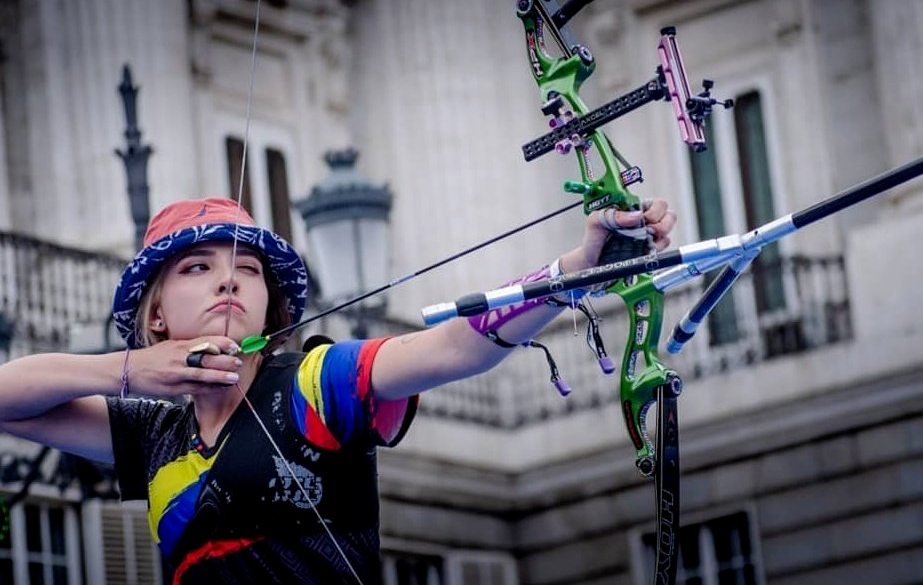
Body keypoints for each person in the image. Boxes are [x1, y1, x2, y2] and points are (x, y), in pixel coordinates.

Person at [0, 196, 675, 583]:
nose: (228, 281)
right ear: (156, 313)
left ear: (272, 304)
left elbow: (450, 347)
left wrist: (574, 270)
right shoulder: (152, 437)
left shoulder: (312, 383)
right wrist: (128, 372)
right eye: (198, 268)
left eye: (248, 270)